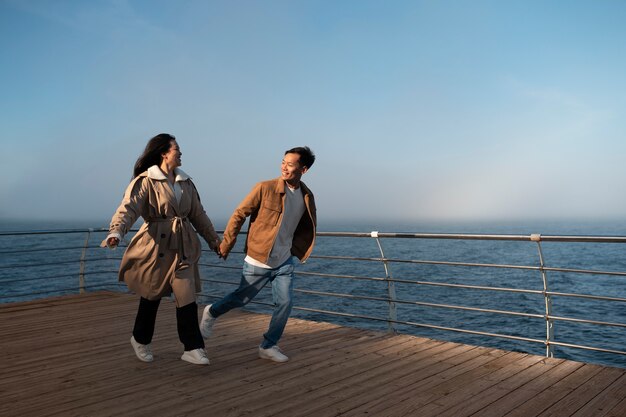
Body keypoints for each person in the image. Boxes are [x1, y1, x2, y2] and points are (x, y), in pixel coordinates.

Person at [102, 133, 221, 366]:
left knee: (186, 295)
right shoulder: (146, 180)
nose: (181, 152)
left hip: (183, 246)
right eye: (177, 148)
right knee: (151, 296)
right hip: (156, 246)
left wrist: (214, 240)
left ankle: (193, 347)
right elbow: (129, 208)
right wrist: (116, 231)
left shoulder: (186, 182)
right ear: (164, 152)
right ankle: (140, 338)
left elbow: (198, 214)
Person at [200, 146, 317, 362]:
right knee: (241, 299)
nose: (284, 167)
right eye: (283, 162)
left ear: (304, 169)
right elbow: (239, 214)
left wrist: (298, 250)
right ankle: (212, 312)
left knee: (285, 303)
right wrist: (227, 243)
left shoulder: (307, 196)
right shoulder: (265, 188)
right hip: (258, 258)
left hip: (284, 261)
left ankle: (268, 345)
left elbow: (304, 226)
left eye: (290, 164)